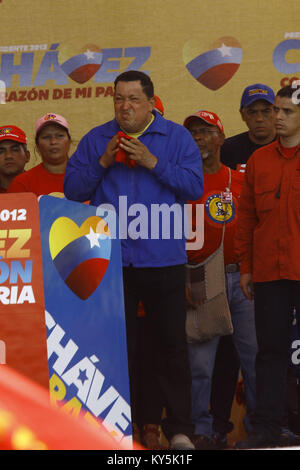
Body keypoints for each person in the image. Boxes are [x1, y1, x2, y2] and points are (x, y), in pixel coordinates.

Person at [63, 70, 204, 450]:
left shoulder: (176, 137)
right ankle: (117, 429)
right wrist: (103, 162)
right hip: (112, 263)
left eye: (133, 100)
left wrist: (153, 162)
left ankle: (179, 430)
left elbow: (194, 188)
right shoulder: (96, 139)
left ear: (151, 102)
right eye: (118, 99)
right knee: (115, 348)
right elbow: (73, 191)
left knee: (172, 346)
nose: (124, 107)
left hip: (163, 259)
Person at [183, 110, 257, 450]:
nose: (199, 137)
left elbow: (258, 228)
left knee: (255, 357)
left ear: (222, 138)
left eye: (206, 131)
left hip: (240, 277)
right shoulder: (180, 183)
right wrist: (181, 279)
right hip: (199, 279)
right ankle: (201, 430)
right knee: (200, 364)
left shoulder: (241, 181)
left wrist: (253, 271)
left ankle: (260, 427)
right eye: (193, 132)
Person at [235, 84, 300, 449]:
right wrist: (246, 268)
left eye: (286, 111)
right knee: (270, 352)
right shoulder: (260, 160)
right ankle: (267, 430)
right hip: (269, 273)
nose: (277, 117)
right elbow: (246, 219)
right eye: (276, 110)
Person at [211, 84, 276, 444]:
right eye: (254, 112)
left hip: (276, 267)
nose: (261, 118)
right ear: (242, 116)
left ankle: (266, 426)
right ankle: (217, 428)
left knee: (265, 352)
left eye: (267, 111)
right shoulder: (229, 150)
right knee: (221, 354)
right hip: (231, 268)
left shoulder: (290, 148)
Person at [7, 113, 71, 197]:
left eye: (59, 136)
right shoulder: (22, 183)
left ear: (69, 142)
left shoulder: (87, 176)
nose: (53, 142)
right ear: (37, 145)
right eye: (46, 137)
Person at [221, 83, 276, 170]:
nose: (259, 119)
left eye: (266, 111)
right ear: (242, 115)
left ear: (276, 113)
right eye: (252, 112)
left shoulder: (290, 146)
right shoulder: (226, 150)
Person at [0, 125, 30, 192]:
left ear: (27, 156)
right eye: (1, 152)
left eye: (15, 150)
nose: (8, 156)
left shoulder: (40, 187)